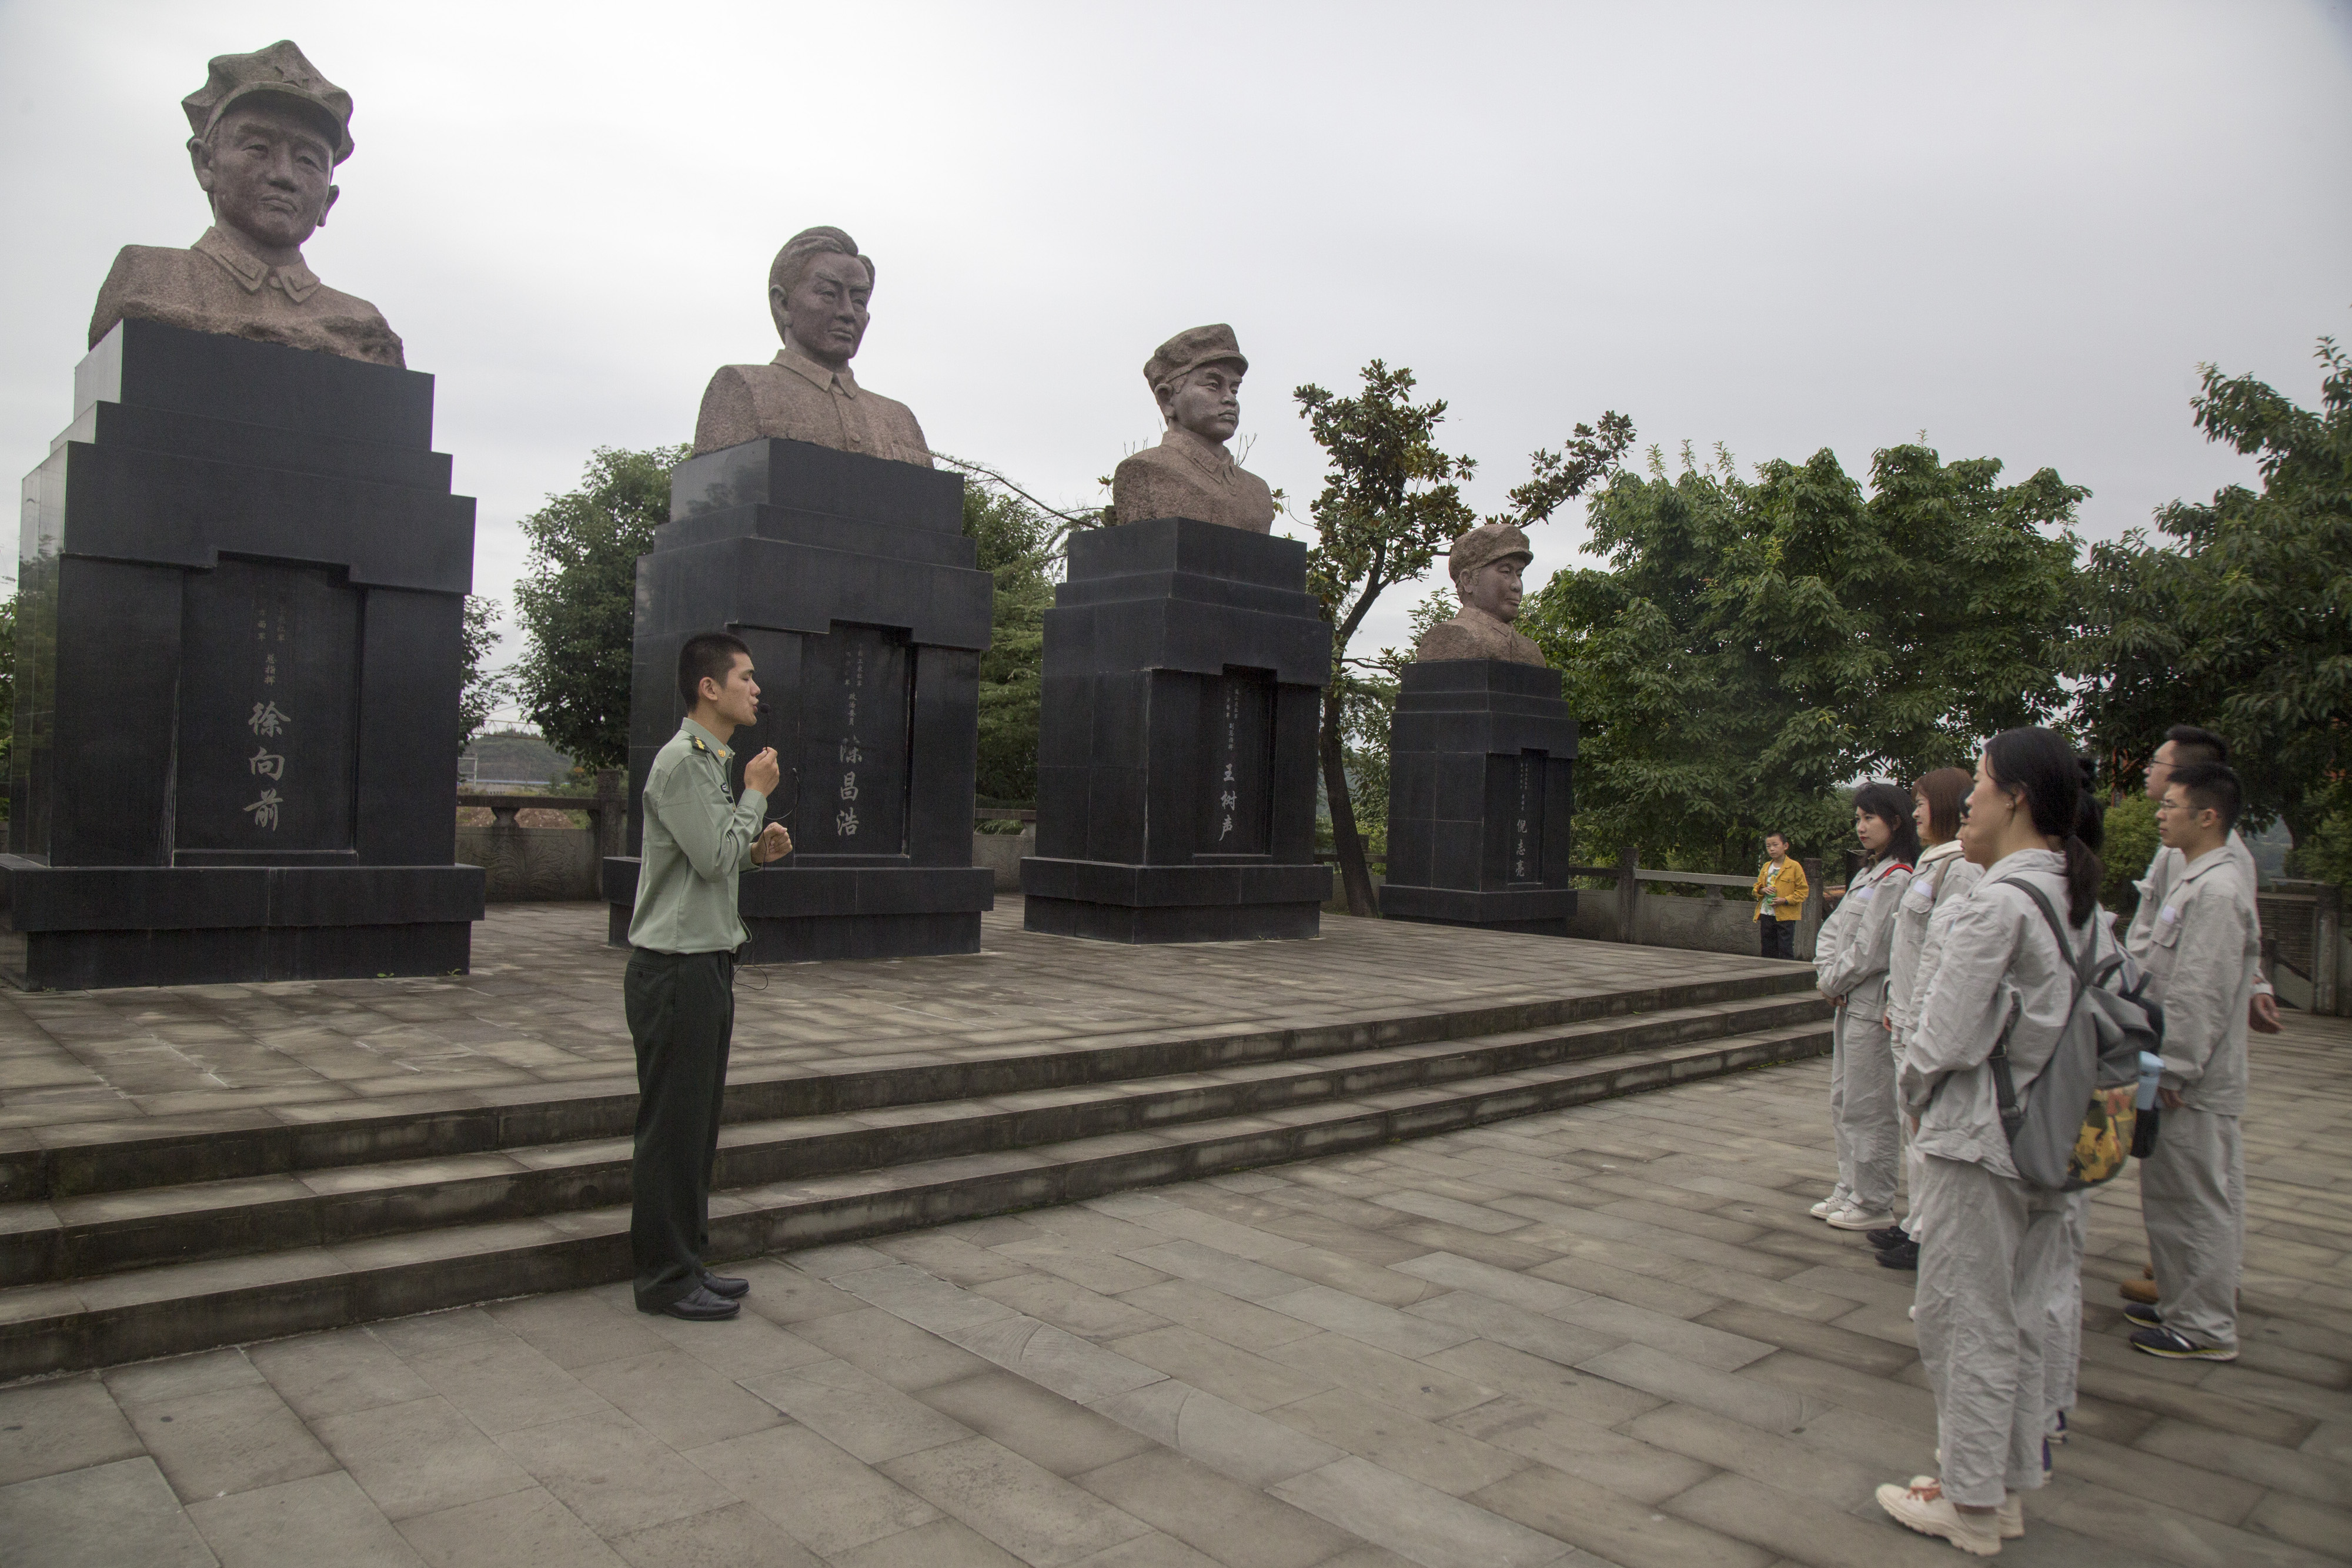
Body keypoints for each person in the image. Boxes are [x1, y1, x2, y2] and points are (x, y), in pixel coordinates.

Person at [1880, 727, 2114, 1556]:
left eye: (1979, 782)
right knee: (2024, 1314)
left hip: (1981, 1139)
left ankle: (1971, 1502)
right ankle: (2002, 1485)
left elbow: (1939, 1036)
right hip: (2053, 1136)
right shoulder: (2083, 902)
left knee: (1964, 1317)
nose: (1968, 799)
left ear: (2016, 797)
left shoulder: (1997, 901)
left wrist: (1913, 1096)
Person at [626, 633, 794, 1321]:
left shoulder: (709, 763)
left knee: (695, 1128)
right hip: (676, 972)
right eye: (746, 678)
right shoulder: (684, 764)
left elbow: (717, 858)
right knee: (673, 1129)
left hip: (703, 966)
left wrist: (755, 850)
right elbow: (709, 860)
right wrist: (755, 798)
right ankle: (665, 1279)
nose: (757, 689)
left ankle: (688, 1262)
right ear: (709, 687)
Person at [89, 40, 404, 366]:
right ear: (206, 164)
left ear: (329, 200)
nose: (284, 175)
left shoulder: (365, 330)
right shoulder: (148, 280)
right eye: (257, 147)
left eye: (308, 160)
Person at [2117, 724, 2277, 1310]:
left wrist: (2174, 1069)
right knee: (2176, 1192)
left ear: (2205, 809)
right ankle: (2182, 1293)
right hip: (2173, 1057)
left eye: (2163, 779)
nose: (2154, 793)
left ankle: (2202, 1317)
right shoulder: (2189, 865)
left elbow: (2202, 987)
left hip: (2189, 1073)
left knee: (2195, 1194)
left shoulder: (2217, 880)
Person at [693, 226, 933, 464]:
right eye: (829, 293)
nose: (848, 312)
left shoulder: (900, 421)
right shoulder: (741, 389)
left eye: (859, 300)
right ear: (783, 304)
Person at [1870, 767, 1979, 1270]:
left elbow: (1947, 953)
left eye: (1921, 803)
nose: (1916, 813)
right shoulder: (1933, 864)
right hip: (1907, 1013)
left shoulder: (1959, 868)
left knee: (1925, 1131)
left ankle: (1926, 1231)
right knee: (1915, 1130)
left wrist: (1919, 1015)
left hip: (1926, 1021)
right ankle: (1916, 1221)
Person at [1810, 784, 1917, 1231]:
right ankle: (1850, 1183)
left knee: (1869, 1103)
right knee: (1843, 1098)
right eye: (1858, 818)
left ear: (1896, 821)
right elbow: (1834, 931)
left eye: (1870, 817)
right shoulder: (1867, 875)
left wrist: (1833, 979)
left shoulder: (1898, 877)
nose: (1861, 826)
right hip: (1847, 998)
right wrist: (1826, 973)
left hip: (1872, 1003)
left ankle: (1873, 1198)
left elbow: (1873, 948)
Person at [1112, 324, 1279, 533]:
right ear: (1167, 400)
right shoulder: (1144, 470)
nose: (1230, 399)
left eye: (1234, 390)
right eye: (1213, 385)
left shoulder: (1258, 492)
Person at [1752, 831, 1810, 960]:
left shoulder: (1794, 867)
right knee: (1767, 948)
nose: (1771, 849)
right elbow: (1757, 888)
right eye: (1768, 846)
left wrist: (1785, 900)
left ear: (1785, 846)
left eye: (1775, 845)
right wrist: (1763, 890)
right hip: (1767, 913)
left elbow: (1803, 891)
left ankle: (1787, 977)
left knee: (1785, 949)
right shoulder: (1767, 866)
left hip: (1786, 915)